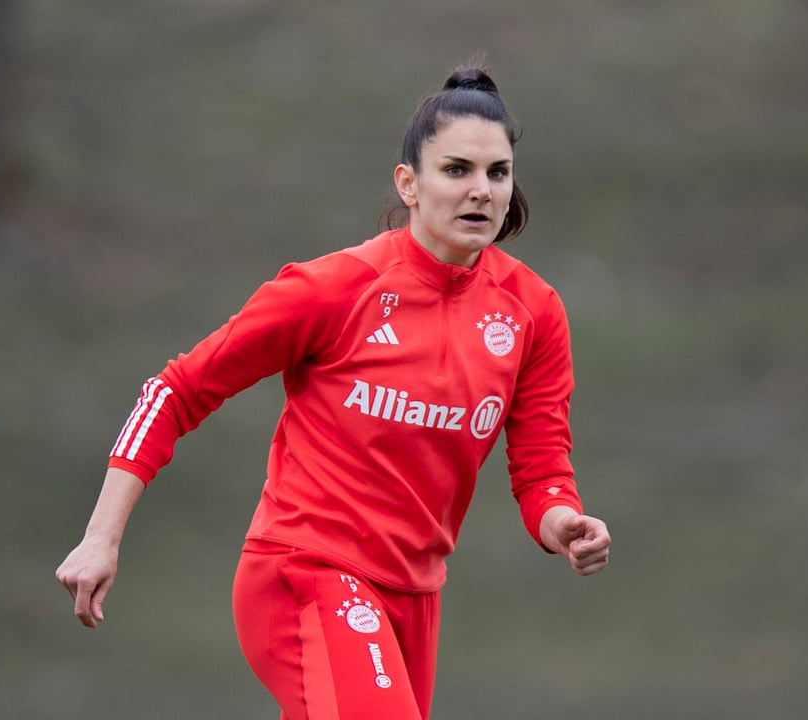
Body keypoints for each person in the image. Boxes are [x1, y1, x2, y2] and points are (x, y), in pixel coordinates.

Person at [55, 64, 611, 720]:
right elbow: (176, 390)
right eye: (457, 169)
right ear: (409, 183)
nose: (481, 191)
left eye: (497, 173)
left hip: (413, 597)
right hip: (306, 574)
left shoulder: (533, 312)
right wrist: (100, 537)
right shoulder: (333, 289)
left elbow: (542, 469)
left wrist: (565, 524)